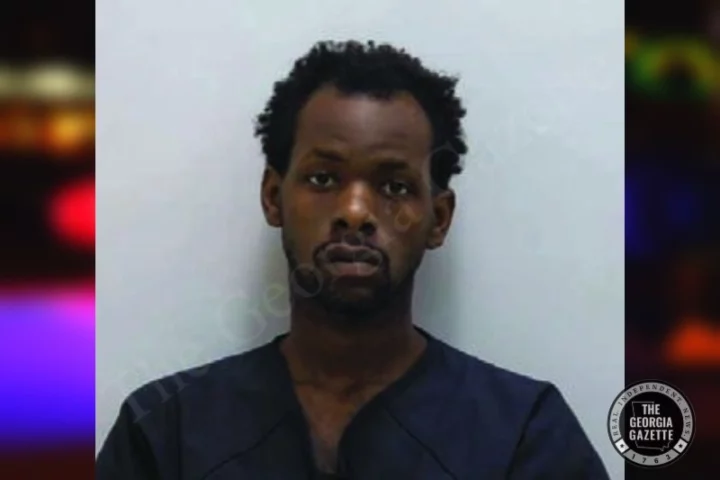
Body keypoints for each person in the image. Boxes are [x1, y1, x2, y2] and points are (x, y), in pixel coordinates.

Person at [96, 40, 609, 479]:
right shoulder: (164, 432)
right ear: (273, 197)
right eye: (323, 179)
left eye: (395, 186)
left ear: (438, 218)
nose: (356, 212)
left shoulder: (525, 435)